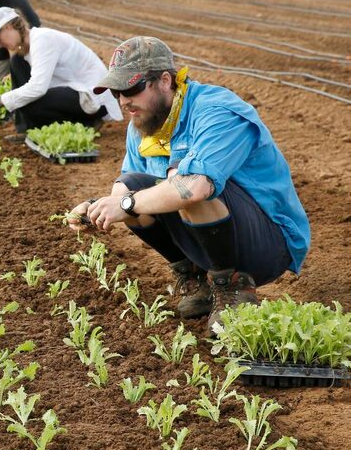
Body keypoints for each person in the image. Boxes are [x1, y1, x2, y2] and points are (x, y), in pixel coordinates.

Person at [66, 36, 310, 334]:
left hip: (268, 244)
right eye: (117, 92)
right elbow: (126, 188)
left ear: (165, 80)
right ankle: (195, 278)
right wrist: (97, 207)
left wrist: (125, 204)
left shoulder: (216, 110)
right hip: (214, 235)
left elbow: (195, 187)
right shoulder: (143, 123)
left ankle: (231, 288)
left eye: (131, 89)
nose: (123, 100)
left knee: (186, 185)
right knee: (133, 188)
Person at [0, 7, 122, 138]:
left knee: (28, 103)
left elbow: (38, 88)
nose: (0, 44)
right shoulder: (29, 47)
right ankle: (27, 130)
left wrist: (1, 100)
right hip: (76, 91)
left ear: (8, 27)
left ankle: (86, 122)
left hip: (94, 97)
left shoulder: (42, 39)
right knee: (17, 63)